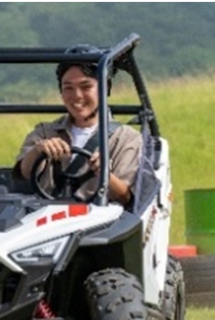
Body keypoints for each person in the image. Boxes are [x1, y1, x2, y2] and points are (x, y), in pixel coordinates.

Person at [17, 45, 143, 204]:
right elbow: (24, 173)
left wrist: (105, 175)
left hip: (99, 222)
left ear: (105, 89)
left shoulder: (127, 139)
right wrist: (38, 151)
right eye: (68, 88)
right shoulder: (45, 132)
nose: (76, 96)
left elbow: (126, 197)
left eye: (86, 87)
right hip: (46, 218)